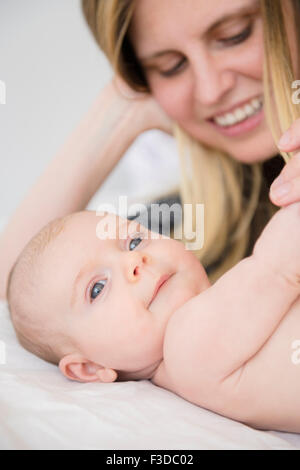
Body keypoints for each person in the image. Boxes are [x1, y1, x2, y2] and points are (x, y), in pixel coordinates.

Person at [1, 1, 300, 297]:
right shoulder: (163, 237)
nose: (211, 90)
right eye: (170, 67)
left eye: (235, 35)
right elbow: (21, 307)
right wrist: (119, 114)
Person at [6, 201, 300, 433]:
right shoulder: (184, 348)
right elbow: (280, 262)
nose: (135, 260)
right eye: (97, 287)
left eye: (134, 242)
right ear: (89, 368)